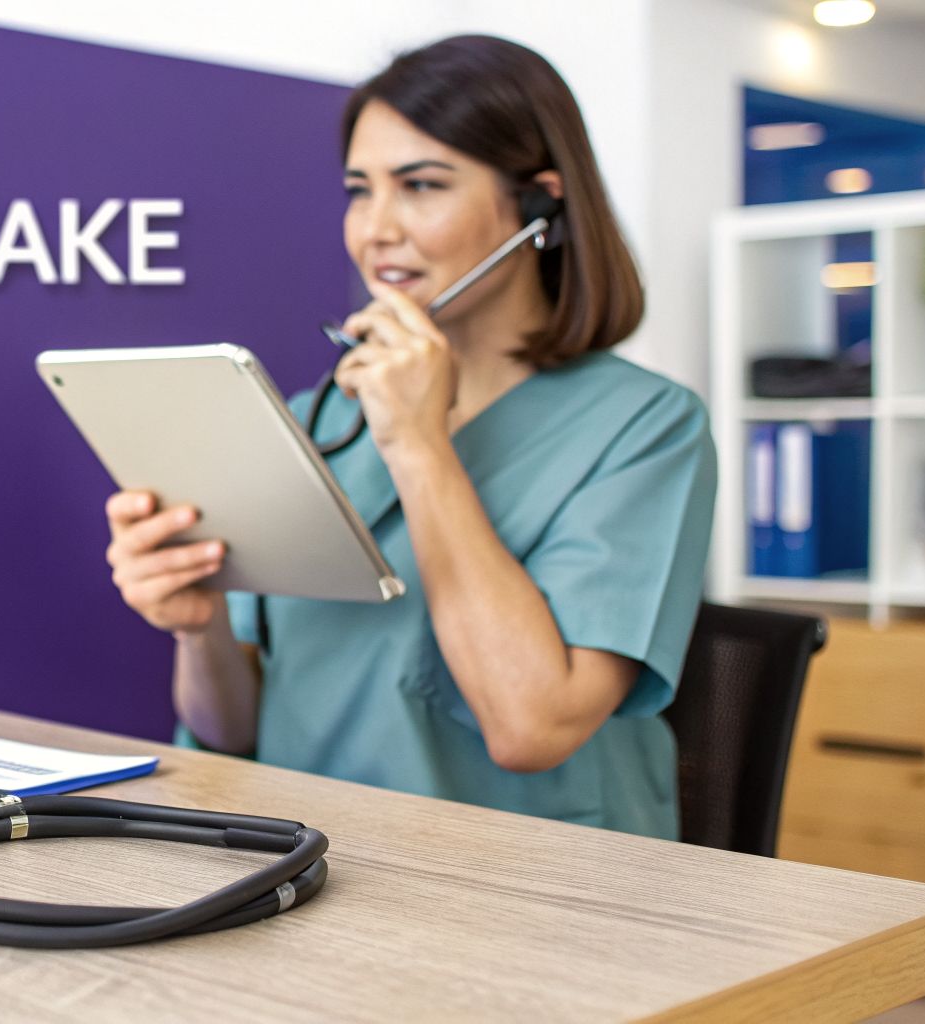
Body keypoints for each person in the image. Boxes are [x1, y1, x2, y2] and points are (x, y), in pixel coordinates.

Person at [102, 35, 715, 840]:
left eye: (421, 186)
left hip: (537, 889)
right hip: (300, 858)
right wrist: (199, 624)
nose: (376, 229)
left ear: (540, 206)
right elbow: (234, 734)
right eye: (361, 190)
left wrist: (421, 445)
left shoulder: (647, 429)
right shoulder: (315, 416)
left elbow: (533, 728)